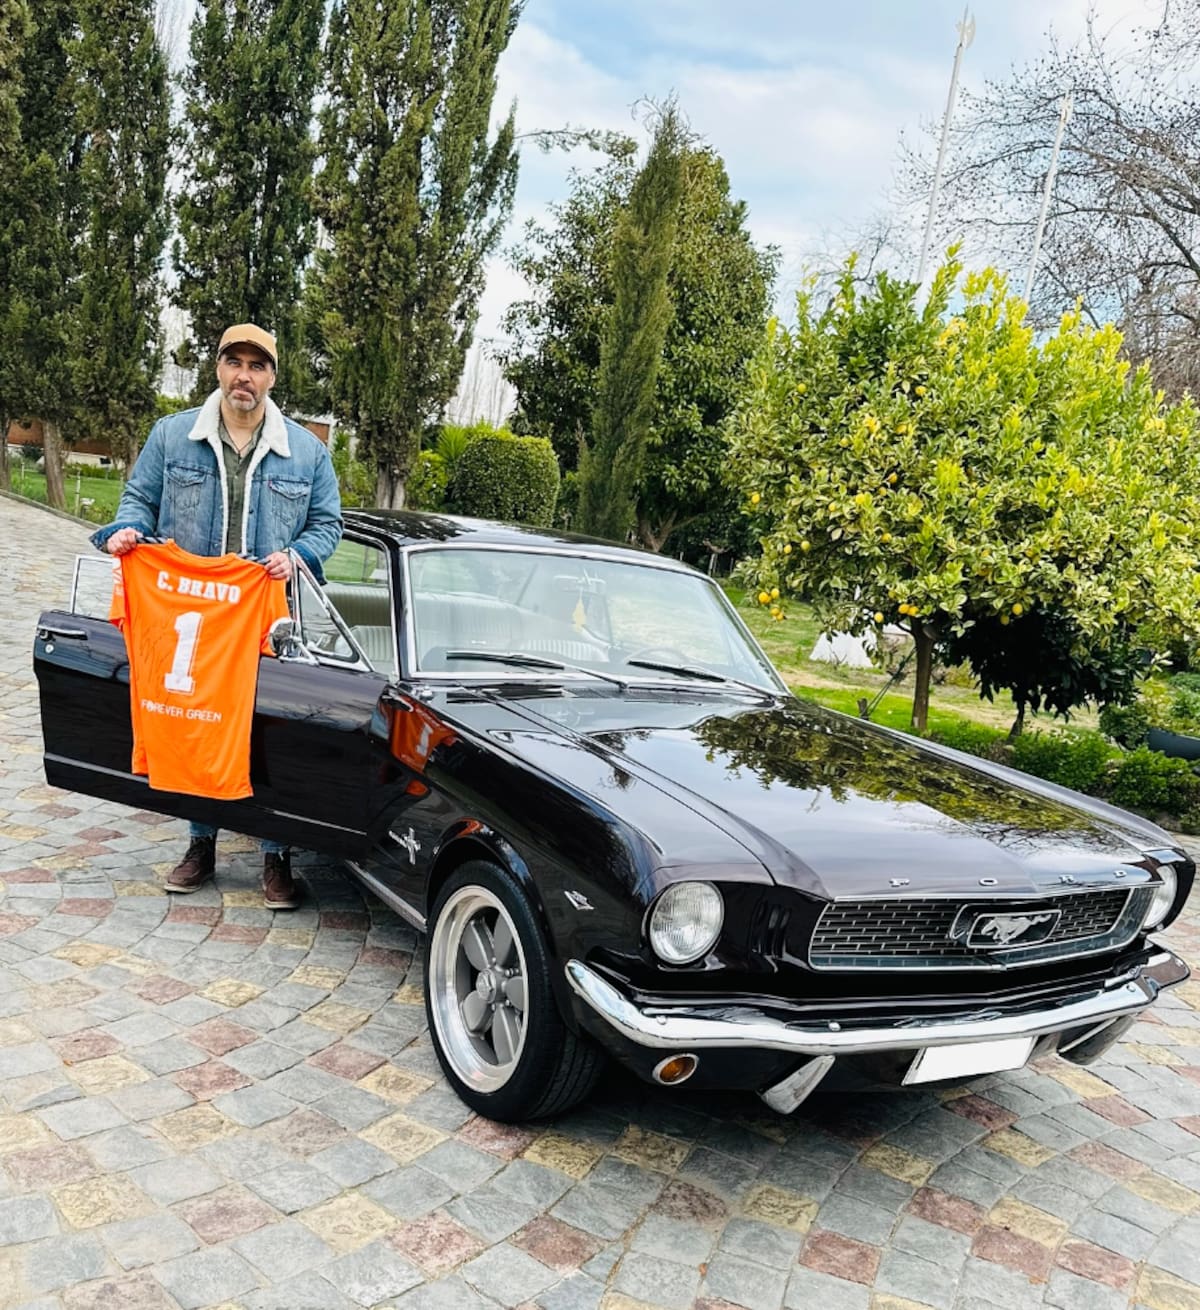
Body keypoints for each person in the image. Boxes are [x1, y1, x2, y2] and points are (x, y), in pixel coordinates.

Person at [91, 323, 343, 909]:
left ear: (272, 377)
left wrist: (296, 556)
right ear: (219, 369)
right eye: (235, 363)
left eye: (257, 366)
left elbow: (327, 524)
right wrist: (127, 531)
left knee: (267, 729)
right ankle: (200, 844)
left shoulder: (307, 452)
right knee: (194, 723)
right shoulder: (173, 436)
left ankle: (276, 854)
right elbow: (138, 501)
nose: (244, 377)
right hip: (193, 618)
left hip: (267, 616)